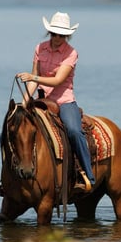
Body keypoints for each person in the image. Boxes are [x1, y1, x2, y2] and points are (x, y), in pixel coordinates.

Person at [17, 11, 95, 192]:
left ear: (67, 35)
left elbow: (58, 80)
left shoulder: (71, 53)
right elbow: (33, 80)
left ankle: (87, 175)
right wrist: (23, 103)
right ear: (49, 32)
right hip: (42, 100)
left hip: (64, 101)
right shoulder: (40, 48)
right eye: (54, 33)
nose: (57, 38)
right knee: (18, 128)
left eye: (62, 35)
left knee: (74, 131)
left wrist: (33, 77)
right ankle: (11, 176)